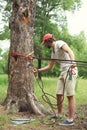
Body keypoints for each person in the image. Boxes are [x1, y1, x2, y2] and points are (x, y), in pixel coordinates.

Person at [32, 33, 78, 126]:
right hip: (63, 72)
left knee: (70, 95)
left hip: (70, 70)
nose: (45, 45)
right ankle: (59, 114)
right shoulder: (53, 51)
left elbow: (70, 51)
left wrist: (73, 63)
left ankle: (70, 120)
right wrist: (37, 70)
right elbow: (50, 66)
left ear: (48, 41)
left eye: (45, 43)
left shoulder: (59, 43)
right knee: (58, 94)